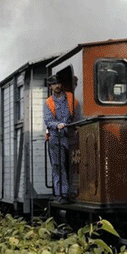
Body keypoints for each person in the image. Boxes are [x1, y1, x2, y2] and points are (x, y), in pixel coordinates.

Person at [43, 74, 81, 203]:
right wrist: (57, 125)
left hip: (70, 136)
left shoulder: (71, 98)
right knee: (58, 166)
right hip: (56, 137)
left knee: (72, 165)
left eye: (58, 83)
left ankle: (72, 192)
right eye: (54, 84)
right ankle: (62, 194)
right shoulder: (48, 102)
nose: (57, 86)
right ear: (50, 87)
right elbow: (48, 120)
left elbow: (77, 113)